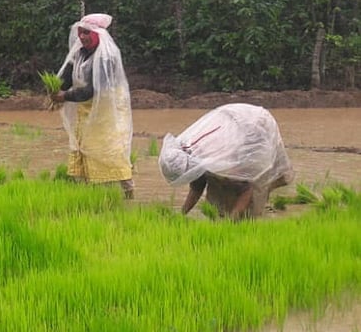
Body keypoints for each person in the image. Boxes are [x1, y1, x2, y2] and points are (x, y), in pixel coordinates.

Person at [158, 103, 294, 219]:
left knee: (251, 204)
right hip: (231, 121)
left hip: (256, 125)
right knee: (216, 204)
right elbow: (197, 187)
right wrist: (180, 215)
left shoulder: (223, 160)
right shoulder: (190, 153)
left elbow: (247, 189)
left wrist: (231, 221)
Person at [51, 13, 135, 199]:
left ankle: (127, 194)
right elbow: (66, 76)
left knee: (109, 148)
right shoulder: (80, 53)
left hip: (107, 111)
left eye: (87, 33)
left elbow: (92, 90)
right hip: (87, 109)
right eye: (80, 33)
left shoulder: (107, 57)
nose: (82, 37)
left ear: (98, 34)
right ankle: (92, 193)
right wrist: (55, 89)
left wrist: (64, 95)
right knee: (86, 145)